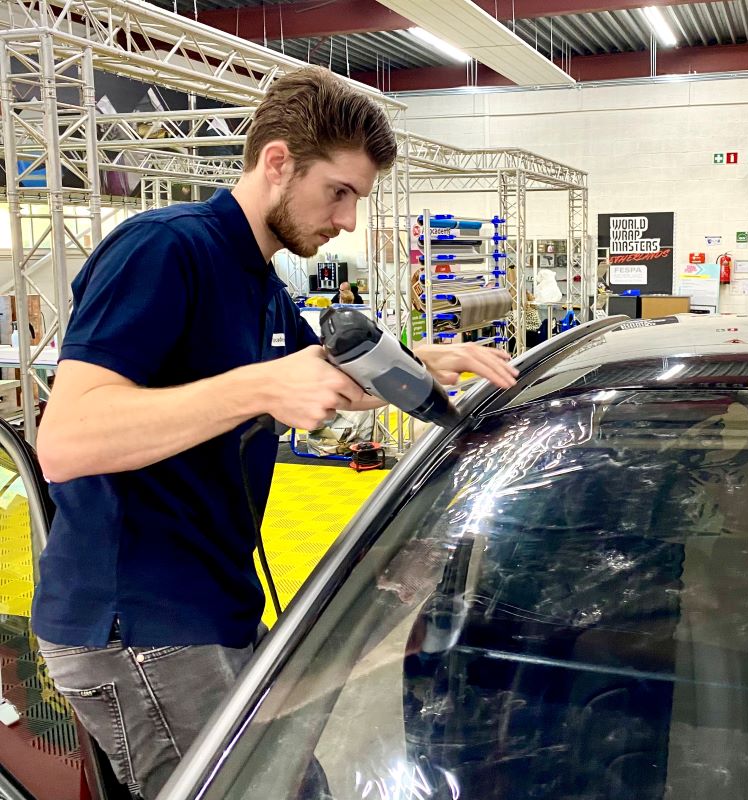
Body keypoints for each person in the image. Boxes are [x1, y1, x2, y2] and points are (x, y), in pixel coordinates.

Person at [31, 67, 518, 799]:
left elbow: (323, 372)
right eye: (340, 192)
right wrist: (260, 386)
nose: (348, 220)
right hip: (137, 622)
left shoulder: (258, 282)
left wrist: (420, 362)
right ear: (279, 162)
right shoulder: (165, 248)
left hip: (211, 606)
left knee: (291, 781)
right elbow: (67, 438)